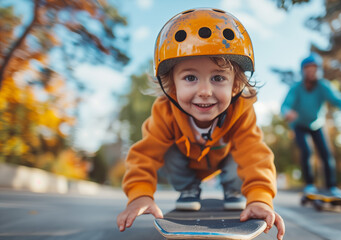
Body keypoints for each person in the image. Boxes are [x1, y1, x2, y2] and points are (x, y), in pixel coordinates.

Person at [116, 8, 285, 239]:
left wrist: (259, 198)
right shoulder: (165, 111)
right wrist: (140, 195)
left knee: (240, 154)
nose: (205, 92)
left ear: (235, 85)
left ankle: (233, 190)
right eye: (190, 77)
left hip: (225, 161)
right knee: (167, 152)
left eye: (218, 78)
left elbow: (254, 154)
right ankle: (188, 190)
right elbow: (145, 155)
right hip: (186, 164)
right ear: (171, 85)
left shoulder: (241, 110)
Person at [281, 53, 341, 197]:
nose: (311, 72)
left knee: (326, 153)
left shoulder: (323, 86)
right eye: (308, 69)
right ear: (303, 71)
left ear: (318, 70)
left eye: (314, 69)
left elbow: (339, 100)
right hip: (299, 125)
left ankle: (332, 187)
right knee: (306, 151)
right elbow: (285, 105)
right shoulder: (296, 88)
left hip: (317, 125)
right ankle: (309, 185)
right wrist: (287, 113)